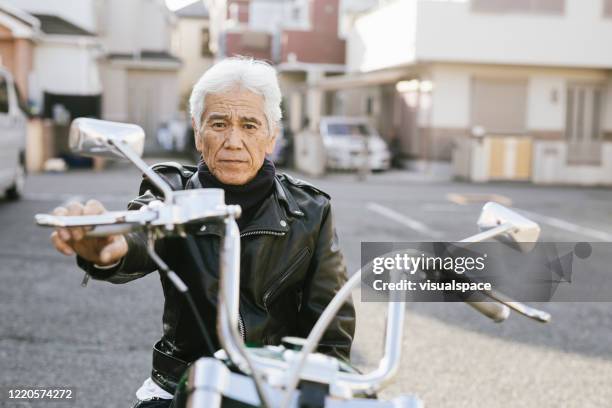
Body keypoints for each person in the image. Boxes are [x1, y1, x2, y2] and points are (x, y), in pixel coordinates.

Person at [50, 57, 356, 407]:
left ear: (272, 137)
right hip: (184, 381)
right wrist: (109, 245)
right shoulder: (170, 190)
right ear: (198, 132)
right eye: (219, 123)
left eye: (250, 125)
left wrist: (312, 391)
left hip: (274, 386)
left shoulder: (311, 210)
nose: (233, 141)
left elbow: (332, 331)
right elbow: (142, 232)